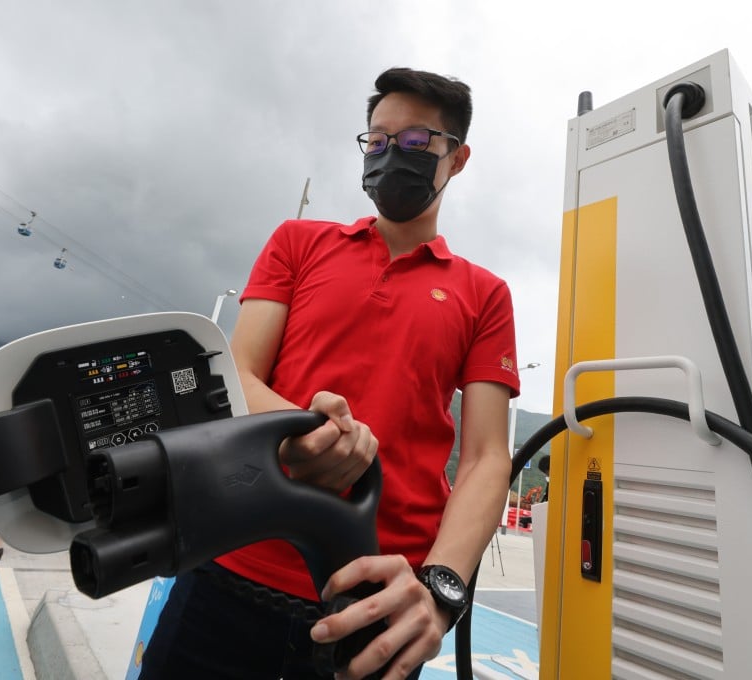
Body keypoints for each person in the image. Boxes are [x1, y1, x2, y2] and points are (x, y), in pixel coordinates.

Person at [140, 67, 520, 680]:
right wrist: (305, 429)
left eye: (418, 142)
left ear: (458, 159)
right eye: (378, 140)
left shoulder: (485, 294)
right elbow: (235, 374)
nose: (393, 153)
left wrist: (441, 588)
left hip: (378, 605)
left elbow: (486, 458)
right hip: (230, 570)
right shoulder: (297, 243)